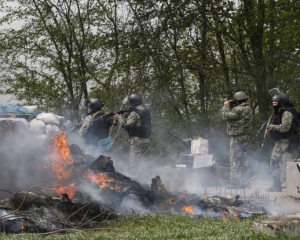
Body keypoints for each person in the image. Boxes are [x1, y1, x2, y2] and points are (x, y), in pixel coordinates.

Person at [112, 94, 151, 178]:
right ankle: (144, 180)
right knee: (143, 163)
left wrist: (119, 118)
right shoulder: (145, 110)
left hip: (137, 141)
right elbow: (139, 122)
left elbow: (127, 127)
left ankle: (136, 182)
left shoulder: (134, 113)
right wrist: (126, 116)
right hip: (146, 140)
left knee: (134, 165)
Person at [266, 93, 299, 192]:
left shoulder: (287, 113)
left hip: (288, 142)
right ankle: (276, 184)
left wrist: (273, 127)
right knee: (274, 161)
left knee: (285, 164)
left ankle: (289, 186)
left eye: (276, 103)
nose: (274, 105)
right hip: (280, 141)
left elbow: (285, 128)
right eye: (273, 103)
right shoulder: (278, 113)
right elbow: (275, 124)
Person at [222, 91, 253, 189]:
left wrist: (226, 106)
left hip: (237, 137)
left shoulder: (238, 109)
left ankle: (235, 183)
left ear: (237, 100)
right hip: (246, 137)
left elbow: (225, 116)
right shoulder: (248, 109)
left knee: (234, 160)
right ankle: (246, 182)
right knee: (244, 160)